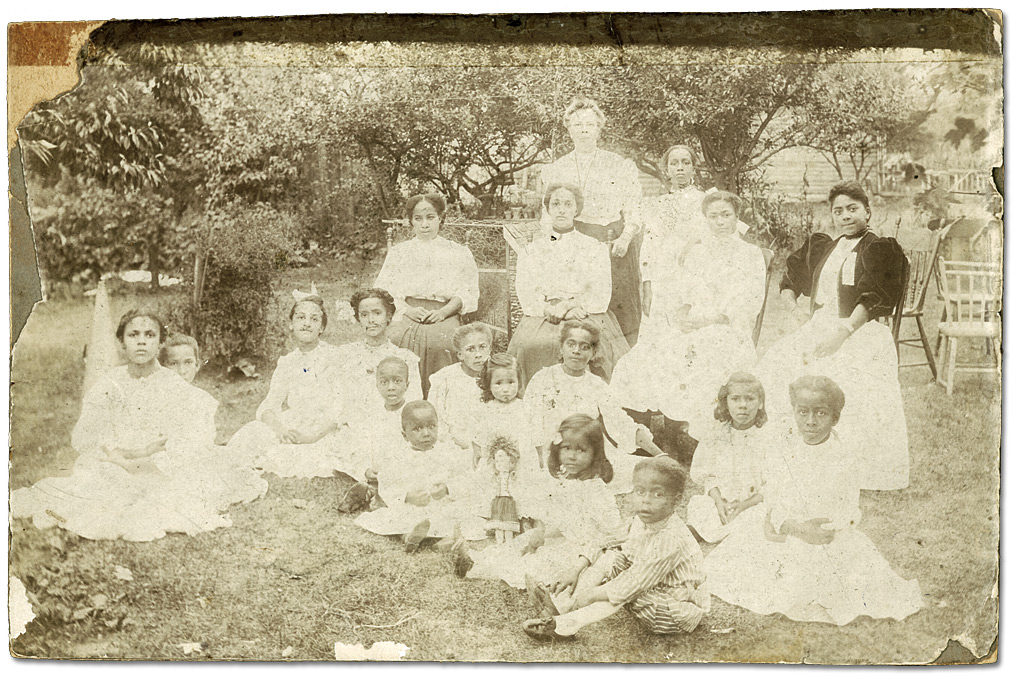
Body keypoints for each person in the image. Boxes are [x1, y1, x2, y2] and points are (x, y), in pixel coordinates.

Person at [12, 312, 261, 541]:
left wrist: (141, 459)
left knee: (156, 501)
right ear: (122, 341)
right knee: (82, 491)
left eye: (150, 335)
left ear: (160, 343)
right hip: (115, 464)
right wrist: (118, 454)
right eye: (133, 335)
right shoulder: (110, 383)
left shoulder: (175, 386)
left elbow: (188, 443)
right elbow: (85, 435)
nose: (141, 342)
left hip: (159, 472)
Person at [704, 376, 925, 625]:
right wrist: (786, 524)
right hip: (787, 526)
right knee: (742, 563)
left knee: (825, 579)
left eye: (820, 413)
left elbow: (848, 512)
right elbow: (775, 494)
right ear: (794, 412)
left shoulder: (843, 457)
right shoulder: (785, 449)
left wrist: (817, 530)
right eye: (803, 412)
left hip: (825, 534)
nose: (810, 421)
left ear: (834, 418)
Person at [756, 180, 909, 491]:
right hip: (820, 325)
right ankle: (791, 457)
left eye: (852, 209)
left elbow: (874, 297)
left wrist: (843, 332)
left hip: (860, 329)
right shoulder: (826, 245)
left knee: (843, 378)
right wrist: (794, 309)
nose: (845, 216)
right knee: (773, 365)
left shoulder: (879, 248)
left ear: (868, 211)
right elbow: (790, 279)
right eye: (838, 211)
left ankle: (848, 466)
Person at [612, 191, 766, 428]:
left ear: (736, 217)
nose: (720, 221)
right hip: (692, 325)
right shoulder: (697, 252)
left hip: (727, 328)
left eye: (726, 215)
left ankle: (691, 429)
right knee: (638, 360)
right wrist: (681, 316)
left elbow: (748, 301)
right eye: (713, 216)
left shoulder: (750, 254)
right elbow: (683, 294)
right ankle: (638, 434)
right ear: (706, 219)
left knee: (698, 357)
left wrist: (711, 320)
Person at [522, 456, 710, 640]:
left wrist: (591, 594)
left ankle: (567, 624)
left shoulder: (671, 538)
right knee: (612, 557)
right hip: (655, 590)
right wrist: (575, 570)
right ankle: (562, 607)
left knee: (624, 588)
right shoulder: (640, 521)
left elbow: (633, 583)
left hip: (676, 610)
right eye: (639, 491)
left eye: (657, 494)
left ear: (676, 501)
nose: (646, 500)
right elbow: (603, 540)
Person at [454, 414, 625, 587]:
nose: (572, 456)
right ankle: (477, 559)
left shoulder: (595, 488)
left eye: (581, 450)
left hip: (583, 548)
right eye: (566, 448)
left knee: (538, 562)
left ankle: (477, 569)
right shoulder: (564, 480)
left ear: (595, 453)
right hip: (560, 536)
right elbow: (555, 515)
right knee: (519, 545)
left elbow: (607, 533)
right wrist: (542, 531)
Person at [541, 97, 644, 345]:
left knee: (620, 310)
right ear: (569, 129)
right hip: (575, 240)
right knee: (579, 303)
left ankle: (620, 362)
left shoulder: (617, 165)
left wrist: (626, 237)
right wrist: (555, 244)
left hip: (614, 241)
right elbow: (547, 218)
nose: (584, 130)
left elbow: (634, 207)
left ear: (599, 128)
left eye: (590, 124)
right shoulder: (558, 168)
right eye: (578, 125)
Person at [508, 182, 631, 387]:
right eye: (555, 204)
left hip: (585, 312)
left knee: (597, 347)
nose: (562, 209)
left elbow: (601, 294)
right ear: (547, 209)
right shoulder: (533, 249)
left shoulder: (593, 247)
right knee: (533, 345)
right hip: (546, 315)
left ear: (577, 209)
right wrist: (553, 309)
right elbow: (527, 293)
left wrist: (569, 306)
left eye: (568, 203)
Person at [524, 320, 666, 492]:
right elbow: (531, 423)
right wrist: (541, 460)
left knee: (638, 472)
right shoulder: (542, 378)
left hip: (586, 451)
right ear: (561, 348)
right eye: (571, 344)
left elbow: (620, 422)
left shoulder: (596, 384)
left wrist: (659, 454)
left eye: (585, 347)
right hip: (550, 451)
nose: (576, 351)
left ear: (593, 352)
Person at [228, 294, 345, 479]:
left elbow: (341, 408)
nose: (306, 323)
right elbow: (269, 405)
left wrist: (312, 437)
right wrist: (280, 430)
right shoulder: (288, 362)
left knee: (300, 456)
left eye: (314, 319)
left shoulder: (335, 357)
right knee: (252, 433)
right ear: (291, 324)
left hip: (324, 428)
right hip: (295, 423)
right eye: (300, 317)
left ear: (321, 327)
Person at [639, 144, 751, 335]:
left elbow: (734, 232)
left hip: (696, 276)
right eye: (674, 163)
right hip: (663, 277)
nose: (680, 168)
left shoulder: (706, 200)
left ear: (693, 167)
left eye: (685, 162)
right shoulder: (657, 205)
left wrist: (696, 240)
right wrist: (647, 286)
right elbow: (648, 247)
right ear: (666, 169)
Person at [374, 193, 480, 395]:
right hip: (406, 312)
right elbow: (384, 291)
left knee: (442, 343)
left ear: (441, 218)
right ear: (410, 221)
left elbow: (467, 291)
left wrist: (444, 312)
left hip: (444, 314)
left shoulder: (457, 252)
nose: (424, 225)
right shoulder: (399, 252)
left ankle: (441, 399)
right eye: (418, 218)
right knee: (395, 340)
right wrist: (407, 309)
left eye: (430, 217)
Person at [355, 401, 485, 550]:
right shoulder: (397, 458)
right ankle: (409, 537)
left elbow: (463, 479)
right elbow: (388, 485)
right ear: (405, 435)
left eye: (431, 426)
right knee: (397, 519)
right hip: (413, 508)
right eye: (417, 429)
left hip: (441, 506)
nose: (426, 433)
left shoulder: (448, 453)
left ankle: (447, 540)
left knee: (459, 515)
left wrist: (447, 489)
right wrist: (408, 496)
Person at [686, 372, 770, 544]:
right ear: (726, 402)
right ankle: (712, 529)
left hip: (752, 504)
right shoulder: (716, 433)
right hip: (722, 502)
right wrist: (718, 501)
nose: (743, 406)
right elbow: (708, 475)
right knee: (702, 509)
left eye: (750, 399)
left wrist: (743, 505)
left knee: (760, 518)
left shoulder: (767, 437)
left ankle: (732, 534)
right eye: (736, 399)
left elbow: (771, 486)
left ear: (760, 403)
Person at [337, 288, 423, 415]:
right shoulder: (345, 354)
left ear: (388, 316)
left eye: (377, 313)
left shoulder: (405, 358)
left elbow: (414, 401)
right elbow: (338, 399)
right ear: (358, 318)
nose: (371, 320)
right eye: (364, 314)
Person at [428, 322, 492, 449]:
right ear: (460, 354)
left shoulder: (496, 377)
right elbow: (436, 417)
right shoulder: (445, 378)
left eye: (482, 347)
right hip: (452, 445)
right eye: (470, 349)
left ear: (490, 349)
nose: (478, 354)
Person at [471, 353, 535, 470]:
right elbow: (477, 434)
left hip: (520, 459)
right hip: (494, 459)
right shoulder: (486, 409)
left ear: (519, 381)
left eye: (511, 382)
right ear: (488, 384)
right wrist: (477, 451)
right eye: (498, 383)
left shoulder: (525, 407)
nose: (505, 389)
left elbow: (535, 434)